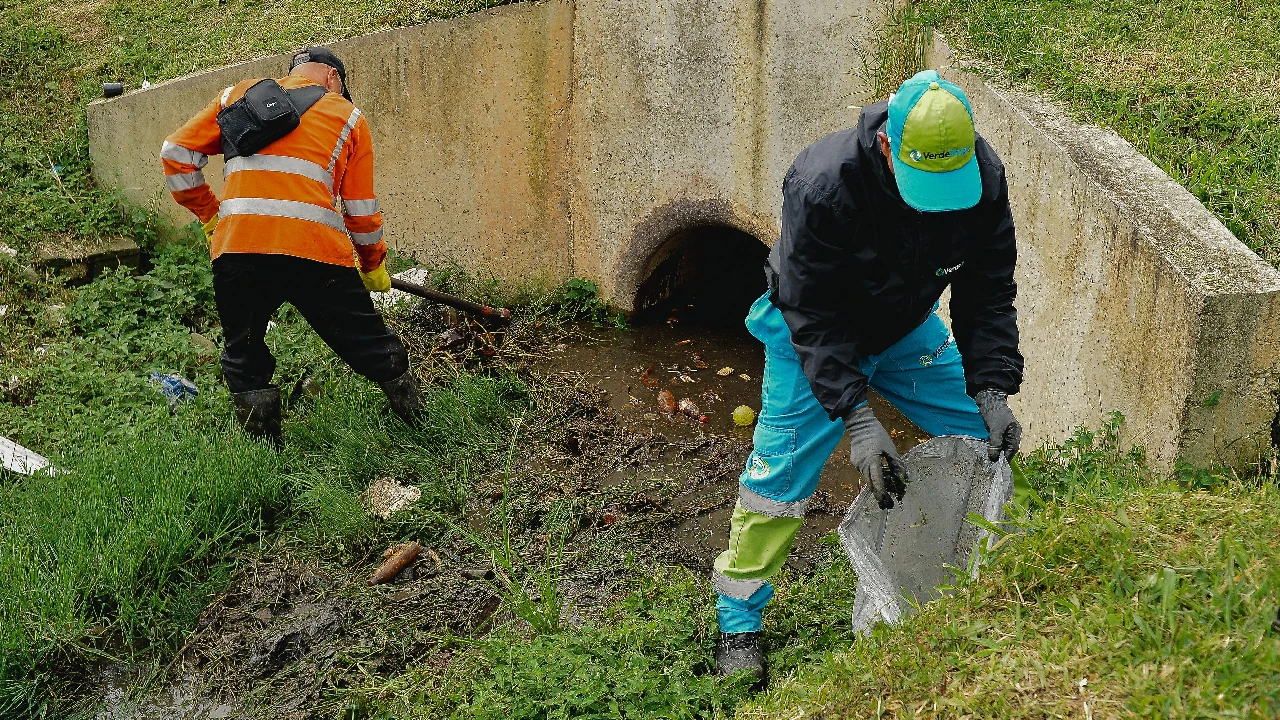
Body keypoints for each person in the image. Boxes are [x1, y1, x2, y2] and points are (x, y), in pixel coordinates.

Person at [711, 70, 1025, 683]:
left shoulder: (983, 181)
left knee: (981, 438)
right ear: (888, 146)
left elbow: (987, 293)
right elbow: (810, 310)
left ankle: (977, 565)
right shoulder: (823, 184)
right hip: (814, 330)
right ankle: (737, 624)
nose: (939, 200)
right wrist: (859, 419)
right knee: (778, 481)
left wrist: (992, 386)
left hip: (903, 327)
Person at [161, 47, 420, 444]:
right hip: (313, 253)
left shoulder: (237, 97)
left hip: (238, 252)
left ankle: (266, 456)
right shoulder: (346, 115)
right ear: (334, 78)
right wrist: (372, 265)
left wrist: (212, 217)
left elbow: (175, 154)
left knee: (244, 355)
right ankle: (423, 425)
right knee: (368, 342)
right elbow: (361, 211)